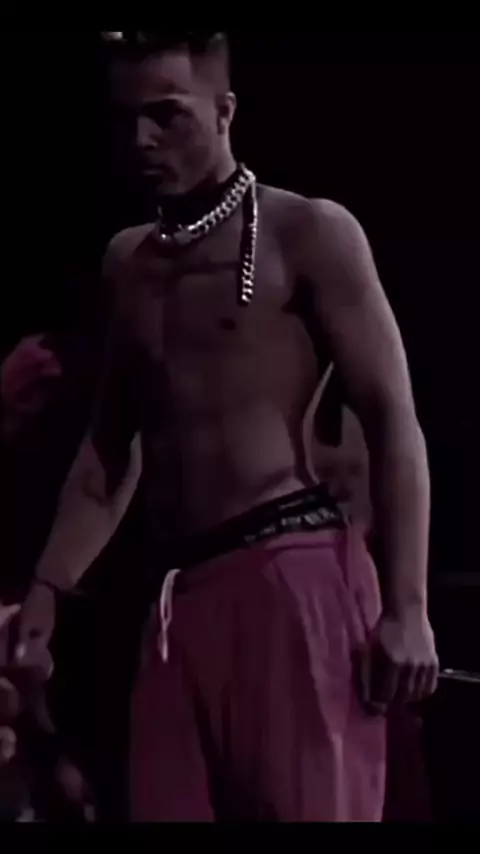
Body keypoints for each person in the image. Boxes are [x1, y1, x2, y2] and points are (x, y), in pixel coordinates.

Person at [13, 31, 438, 822]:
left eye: (166, 115)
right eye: (127, 120)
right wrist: (47, 588)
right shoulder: (128, 263)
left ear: (225, 111)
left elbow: (393, 420)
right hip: (177, 598)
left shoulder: (307, 232)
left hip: (292, 574)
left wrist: (408, 606)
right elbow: (109, 453)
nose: (142, 140)